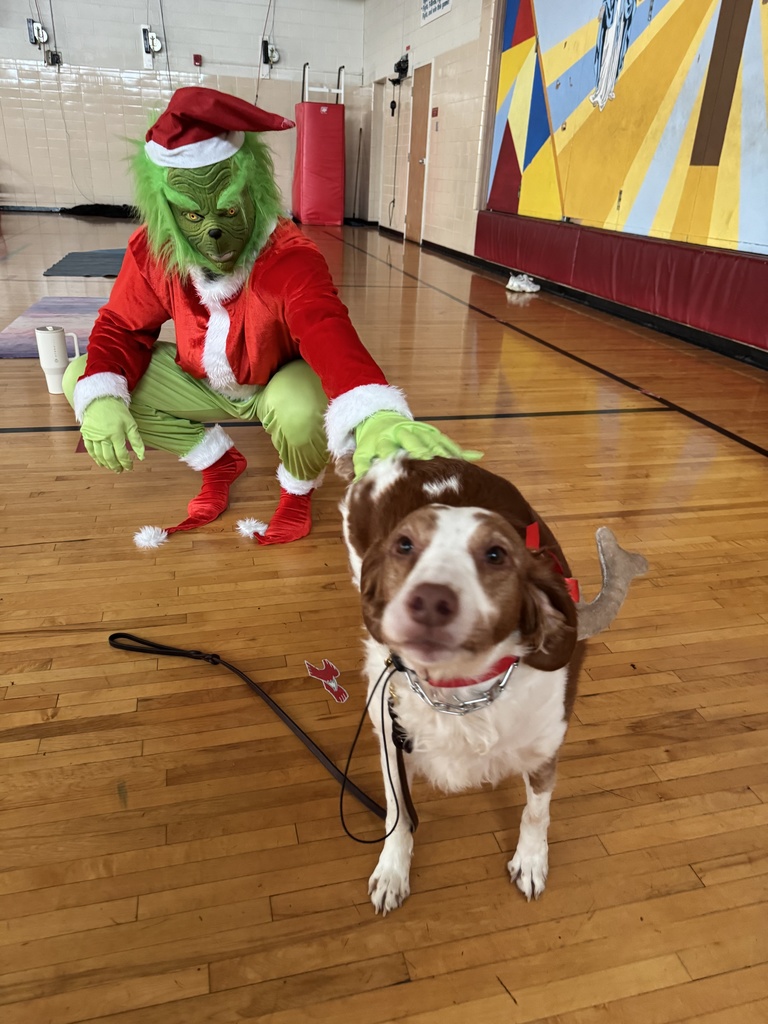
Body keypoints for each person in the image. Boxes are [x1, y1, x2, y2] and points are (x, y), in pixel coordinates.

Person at [63, 87, 477, 548]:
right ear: (167, 210)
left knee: (301, 410)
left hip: (275, 383)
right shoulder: (153, 249)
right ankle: (217, 462)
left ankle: (297, 491)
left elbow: (325, 329)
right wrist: (101, 398)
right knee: (87, 376)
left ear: (252, 189)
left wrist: (374, 414)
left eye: (228, 209)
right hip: (199, 380)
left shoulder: (289, 256)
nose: (212, 231)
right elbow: (121, 326)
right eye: (192, 215)